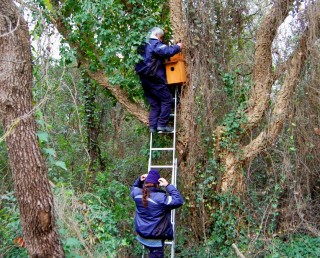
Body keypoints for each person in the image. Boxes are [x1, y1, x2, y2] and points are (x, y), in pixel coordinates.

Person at [135, 27, 183, 133]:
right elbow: (166, 51)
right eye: (160, 38)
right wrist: (178, 47)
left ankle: (153, 127)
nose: (161, 40)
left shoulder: (142, 46)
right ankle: (162, 125)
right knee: (167, 100)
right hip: (154, 79)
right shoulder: (154, 43)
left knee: (155, 104)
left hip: (144, 80)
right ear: (156, 35)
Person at [130, 170, 184, 258]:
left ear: (146, 182)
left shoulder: (136, 194)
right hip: (155, 240)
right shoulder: (161, 198)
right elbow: (179, 201)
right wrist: (168, 185)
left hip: (142, 236)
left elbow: (134, 188)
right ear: (157, 184)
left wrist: (139, 180)